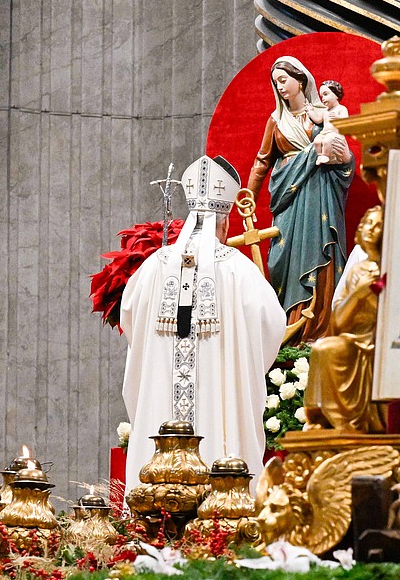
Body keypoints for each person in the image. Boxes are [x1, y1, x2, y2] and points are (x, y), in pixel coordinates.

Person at [121, 155, 286, 491]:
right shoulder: (240, 271)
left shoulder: (153, 266)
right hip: (220, 413)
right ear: (224, 223)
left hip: (160, 413)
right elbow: (271, 326)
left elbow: (131, 321)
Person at [247, 56, 355, 344]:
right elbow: (262, 161)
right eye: (276, 83)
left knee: (321, 253)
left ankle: (320, 330)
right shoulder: (276, 121)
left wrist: (345, 158)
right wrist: (248, 196)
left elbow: (342, 153)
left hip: (321, 194)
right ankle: (289, 331)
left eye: (284, 80)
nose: (280, 87)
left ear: (300, 80)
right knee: (283, 260)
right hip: (289, 198)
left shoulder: (323, 114)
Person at [302, 205, 384, 432]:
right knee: (323, 348)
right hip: (355, 340)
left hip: (379, 342)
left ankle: (349, 423)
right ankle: (322, 419)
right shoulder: (358, 270)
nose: (371, 229)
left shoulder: (392, 269)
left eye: (378, 226)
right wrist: (358, 294)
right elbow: (338, 321)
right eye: (368, 223)